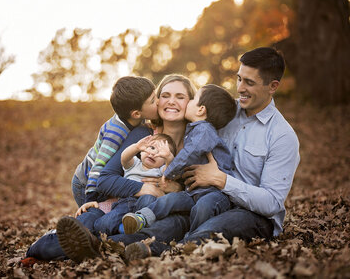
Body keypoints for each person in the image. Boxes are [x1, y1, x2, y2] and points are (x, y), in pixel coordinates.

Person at [122, 47, 301, 260]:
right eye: (239, 79)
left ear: (273, 86)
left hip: (250, 214)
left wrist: (221, 180)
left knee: (215, 227)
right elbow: (178, 124)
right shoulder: (221, 111)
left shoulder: (282, 136)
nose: (240, 88)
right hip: (204, 198)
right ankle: (109, 245)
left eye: (249, 83)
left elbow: (272, 202)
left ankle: (166, 252)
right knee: (173, 222)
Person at [22, 74, 195, 263]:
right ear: (156, 100)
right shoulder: (143, 135)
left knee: (174, 225)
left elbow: (199, 193)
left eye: (180, 97)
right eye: (165, 95)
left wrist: (176, 189)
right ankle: (48, 247)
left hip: (157, 215)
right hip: (118, 204)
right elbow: (105, 178)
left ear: (191, 103)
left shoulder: (196, 142)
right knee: (90, 221)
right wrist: (140, 189)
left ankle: (97, 247)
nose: (171, 101)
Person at [122, 84, 237, 235]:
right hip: (193, 192)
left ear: (201, 109)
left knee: (204, 207)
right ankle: (142, 218)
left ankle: (193, 239)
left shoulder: (204, 130)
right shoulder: (195, 129)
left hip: (214, 193)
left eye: (193, 99)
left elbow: (189, 154)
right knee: (169, 200)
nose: (188, 102)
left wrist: (168, 172)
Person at [72, 76, 158, 211]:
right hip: (85, 182)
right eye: (153, 101)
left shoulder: (136, 120)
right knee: (92, 212)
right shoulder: (115, 132)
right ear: (136, 114)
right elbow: (99, 165)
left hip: (97, 180)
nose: (159, 102)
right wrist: (91, 198)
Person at [74, 133, 177, 237]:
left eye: (160, 153)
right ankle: (120, 229)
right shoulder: (134, 164)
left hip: (146, 204)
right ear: (141, 151)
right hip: (126, 201)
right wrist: (136, 147)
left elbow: (170, 169)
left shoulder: (160, 171)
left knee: (148, 199)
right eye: (152, 147)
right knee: (104, 224)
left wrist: (168, 157)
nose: (153, 153)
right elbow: (124, 157)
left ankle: (133, 225)